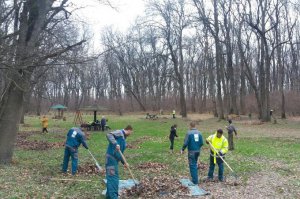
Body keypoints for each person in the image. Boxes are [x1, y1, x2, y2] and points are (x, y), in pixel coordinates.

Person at [105, 125, 133, 199]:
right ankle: (113, 197)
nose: (131, 134)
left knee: (112, 178)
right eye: (131, 132)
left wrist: (124, 163)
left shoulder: (123, 139)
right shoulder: (120, 133)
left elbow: (120, 154)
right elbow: (109, 134)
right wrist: (115, 144)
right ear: (129, 130)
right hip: (111, 159)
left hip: (114, 160)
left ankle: (108, 196)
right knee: (113, 178)